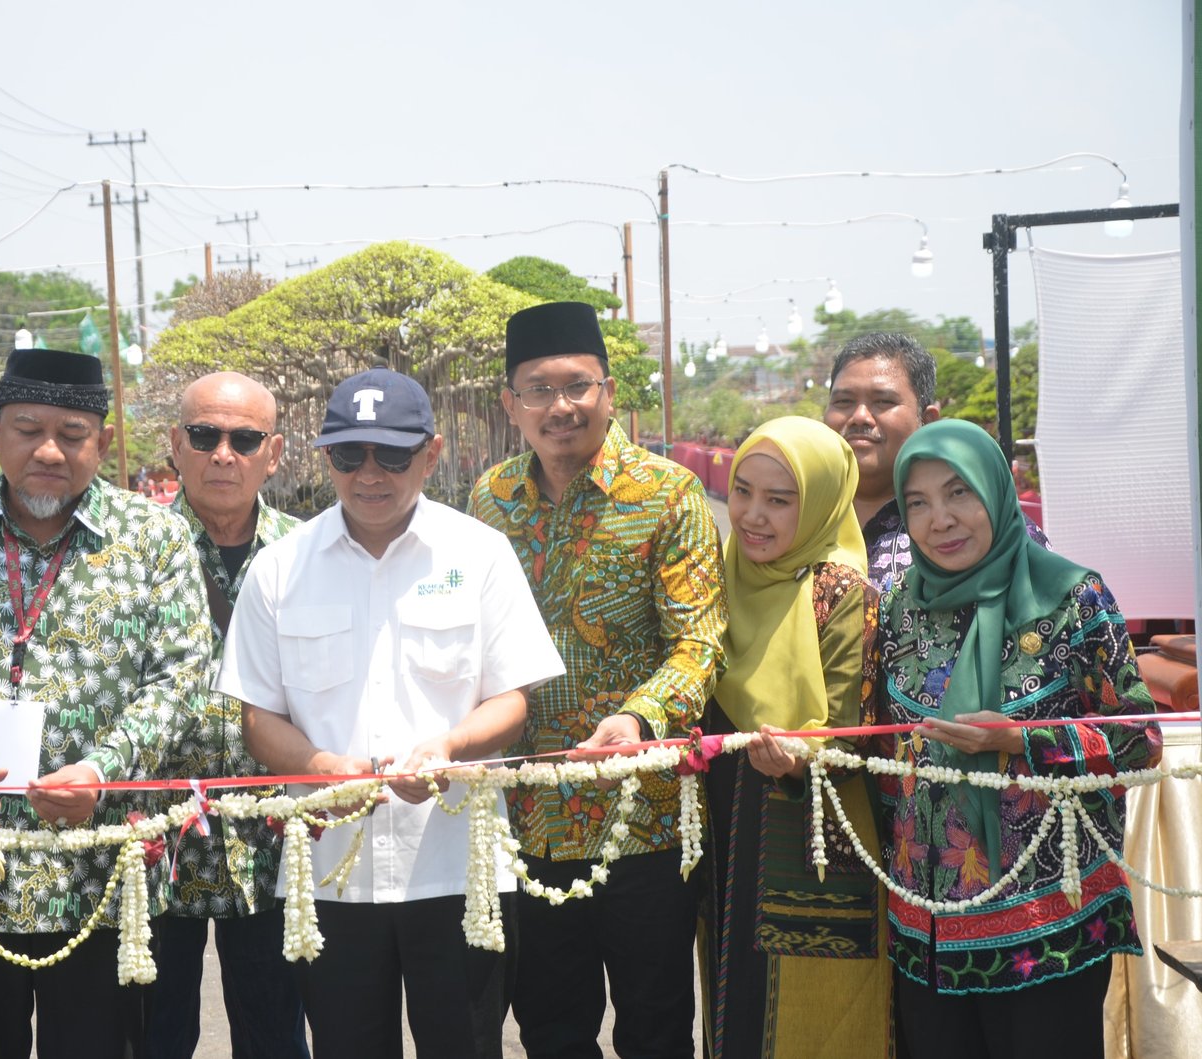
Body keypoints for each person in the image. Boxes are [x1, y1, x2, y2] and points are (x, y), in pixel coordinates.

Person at [0, 349, 213, 1059]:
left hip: (100, 875)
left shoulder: (155, 538)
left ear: (103, 442)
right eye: (28, 430)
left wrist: (103, 771)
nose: (49, 451)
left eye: (72, 434)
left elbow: (181, 677)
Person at [218, 368, 564, 1059]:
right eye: (350, 454)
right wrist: (321, 765)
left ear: (431, 454)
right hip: (330, 876)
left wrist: (450, 746)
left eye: (392, 454)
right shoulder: (279, 568)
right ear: (326, 458)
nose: (369, 473)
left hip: (458, 870)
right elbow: (257, 716)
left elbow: (513, 701)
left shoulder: (480, 554)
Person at [469, 301, 726, 1059]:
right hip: (529, 816)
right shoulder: (489, 502)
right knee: (550, 1026)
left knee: (655, 1026)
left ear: (609, 392)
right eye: (539, 389)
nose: (561, 406)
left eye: (577, 385)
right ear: (510, 403)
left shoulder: (668, 493)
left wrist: (640, 718)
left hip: (643, 813)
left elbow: (698, 641)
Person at [877, 419, 1162, 1059]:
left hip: (1047, 931)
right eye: (917, 503)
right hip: (927, 935)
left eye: (959, 492)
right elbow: (888, 757)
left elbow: (1139, 739)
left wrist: (1021, 742)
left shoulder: (1071, 598)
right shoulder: (899, 609)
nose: (940, 520)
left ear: (996, 490)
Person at [699, 416, 893, 1058]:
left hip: (810, 821)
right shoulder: (719, 575)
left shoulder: (842, 592)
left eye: (780, 501)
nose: (753, 515)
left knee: (811, 1008)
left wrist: (797, 759)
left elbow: (853, 733)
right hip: (726, 813)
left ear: (819, 506)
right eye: (742, 491)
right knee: (730, 995)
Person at [146, 372, 308, 1059]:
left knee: (276, 1039)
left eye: (244, 439)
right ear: (174, 444)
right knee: (151, 1038)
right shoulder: (126, 551)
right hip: (152, 845)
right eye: (204, 435)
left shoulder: (309, 552)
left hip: (272, 844)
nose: (223, 454)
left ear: (273, 453)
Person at [823, 331, 1046, 591]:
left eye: (883, 401)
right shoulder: (796, 518)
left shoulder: (981, 528)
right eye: (844, 402)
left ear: (927, 420)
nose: (860, 416)